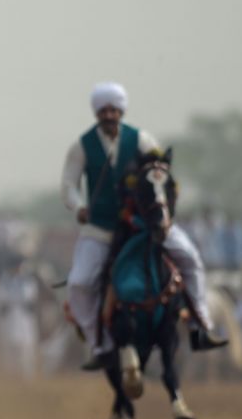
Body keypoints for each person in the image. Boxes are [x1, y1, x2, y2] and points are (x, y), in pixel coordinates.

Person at [61, 82, 227, 370]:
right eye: (104, 110)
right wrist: (79, 207)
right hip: (101, 229)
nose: (109, 115)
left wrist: (163, 206)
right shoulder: (82, 145)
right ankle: (99, 344)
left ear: (121, 111)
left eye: (114, 110)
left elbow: (161, 172)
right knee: (79, 283)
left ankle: (201, 326)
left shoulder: (142, 139)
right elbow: (68, 185)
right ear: (97, 113)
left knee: (190, 257)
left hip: (145, 225)